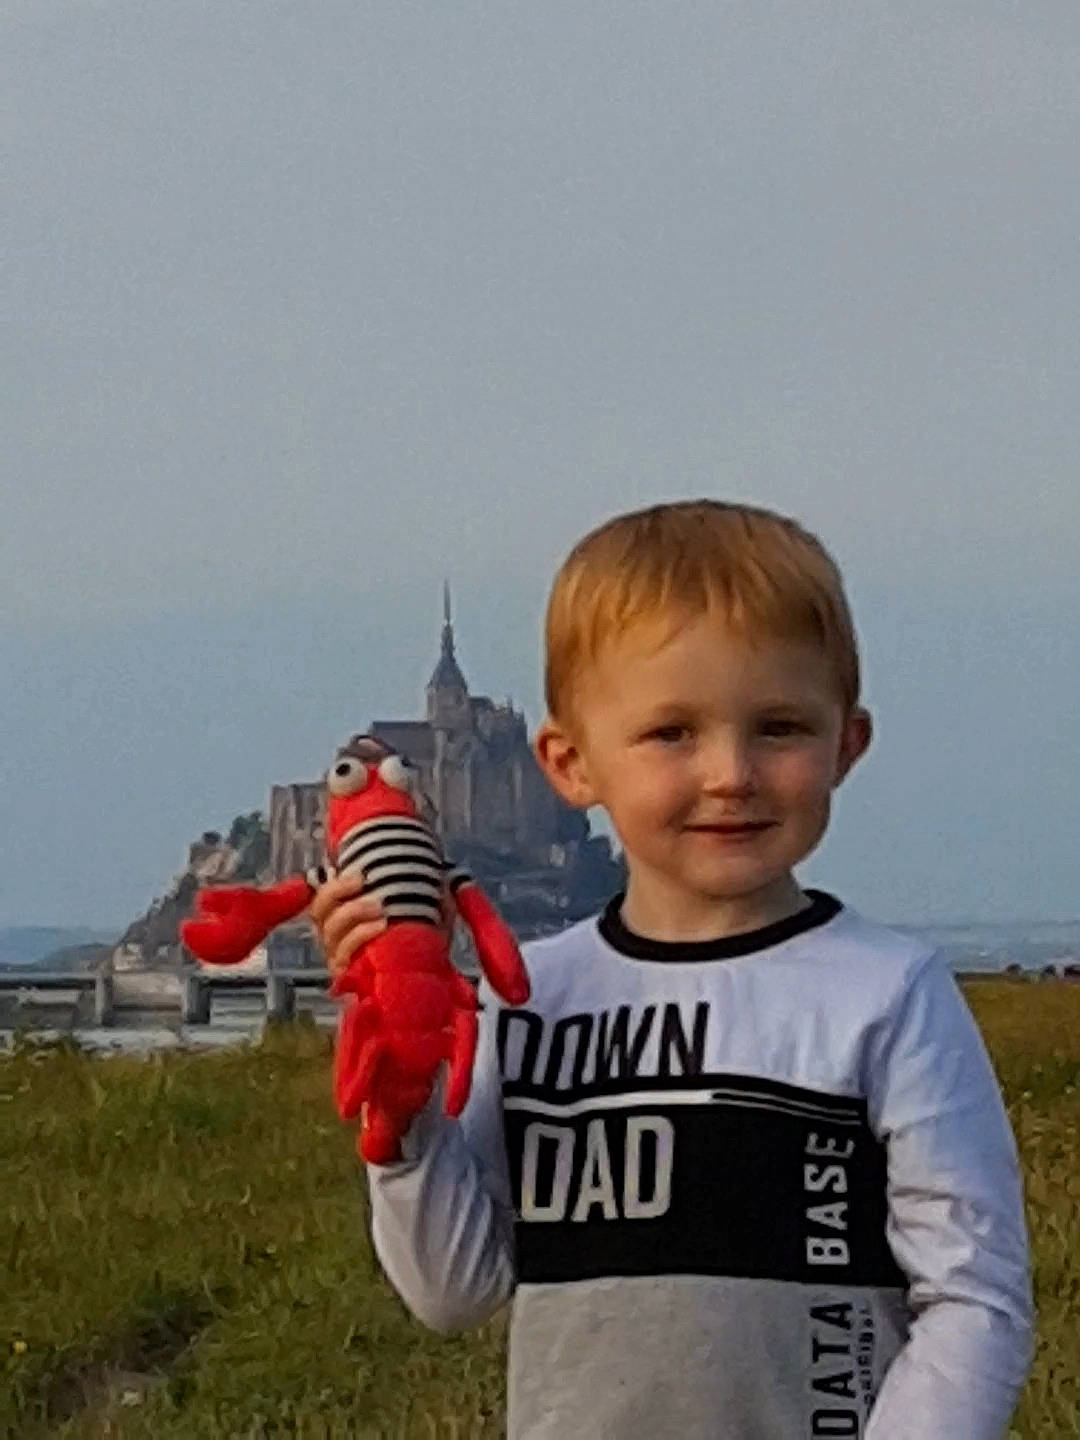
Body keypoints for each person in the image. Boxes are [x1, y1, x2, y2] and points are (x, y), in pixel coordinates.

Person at [311, 500, 1034, 1439]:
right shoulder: (530, 998)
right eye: (672, 734)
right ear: (570, 766)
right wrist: (401, 1116)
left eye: (778, 728)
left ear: (845, 745)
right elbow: (453, 1290)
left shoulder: (885, 994)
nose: (731, 772)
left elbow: (975, 1300)